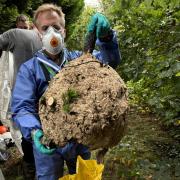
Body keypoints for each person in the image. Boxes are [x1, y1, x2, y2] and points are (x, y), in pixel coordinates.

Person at [11, 3, 121, 180]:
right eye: (45, 28)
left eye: (56, 27)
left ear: (64, 31)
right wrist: (34, 132)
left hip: (80, 138)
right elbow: (22, 107)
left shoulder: (80, 60)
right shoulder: (30, 69)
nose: (51, 33)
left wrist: (107, 39)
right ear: (37, 34)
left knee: (83, 175)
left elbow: (109, 64)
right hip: (48, 140)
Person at [0, 14, 42, 179]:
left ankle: (33, 167)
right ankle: (33, 166)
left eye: (26, 27)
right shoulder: (40, 37)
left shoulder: (15, 35)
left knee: (31, 132)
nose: (23, 30)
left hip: (31, 94)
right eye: (22, 27)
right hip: (29, 93)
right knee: (30, 131)